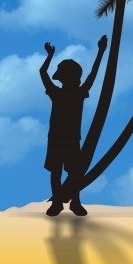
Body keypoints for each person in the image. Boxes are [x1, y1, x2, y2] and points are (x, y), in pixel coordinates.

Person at [40, 35, 107, 216]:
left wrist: (101, 52)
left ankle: (74, 202)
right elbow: (43, 73)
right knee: (57, 171)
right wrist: (49, 56)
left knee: (72, 172)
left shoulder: (76, 93)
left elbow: (92, 75)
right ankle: (59, 204)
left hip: (69, 138)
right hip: (56, 137)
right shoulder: (60, 92)